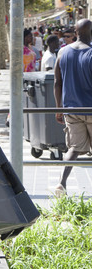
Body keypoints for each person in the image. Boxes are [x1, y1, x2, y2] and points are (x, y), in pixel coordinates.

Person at [52, 19, 92, 197]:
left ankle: (61, 183)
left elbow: (57, 82)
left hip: (72, 110)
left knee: (74, 149)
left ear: (75, 32)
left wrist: (58, 108)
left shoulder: (63, 52)